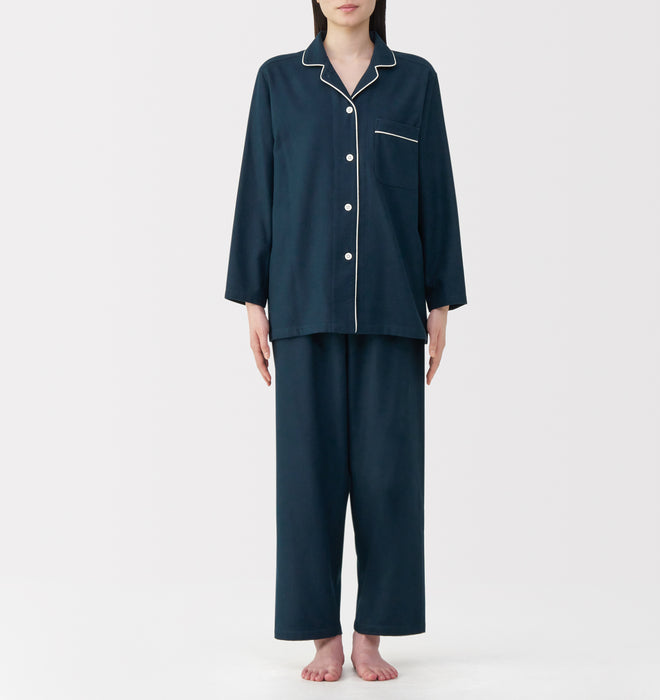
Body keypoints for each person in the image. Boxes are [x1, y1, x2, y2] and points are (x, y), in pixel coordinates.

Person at [224, 0, 467, 683]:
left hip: (393, 307)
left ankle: (371, 634)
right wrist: (253, 298)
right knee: (308, 481)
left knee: (391, 480)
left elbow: (435, 190)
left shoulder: (416, 80)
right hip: (302, 306)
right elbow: (258, 187)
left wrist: (440, 299)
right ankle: (321, 636)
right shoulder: (278, 80)